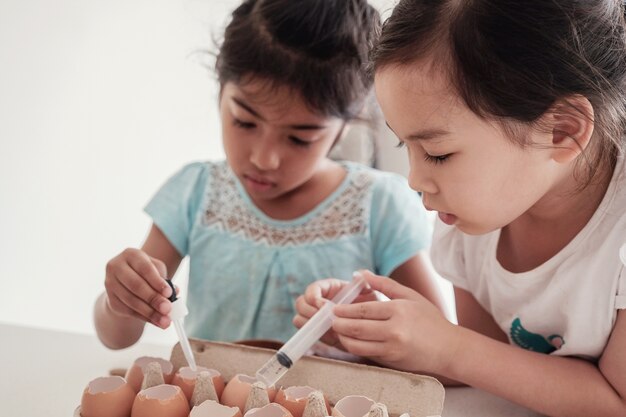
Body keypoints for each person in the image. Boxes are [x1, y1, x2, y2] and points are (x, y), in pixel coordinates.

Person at [294, 1, 626, 416]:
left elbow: (616, 403)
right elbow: (490, 363)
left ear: (562, 130)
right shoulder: (474, 216)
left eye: (437, 154)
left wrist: (450, 348)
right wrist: (383, 337)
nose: (414, 181)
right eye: (405, 145)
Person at [94, 0, 447, 350]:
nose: (264, 159)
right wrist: (119, 301)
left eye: (299, 138)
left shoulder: (379, 205)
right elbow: (117, 337)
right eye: (245, 122)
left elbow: (441, 348)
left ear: (344, 125)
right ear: (220, 90)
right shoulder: (196, 192)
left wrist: (365, 336)